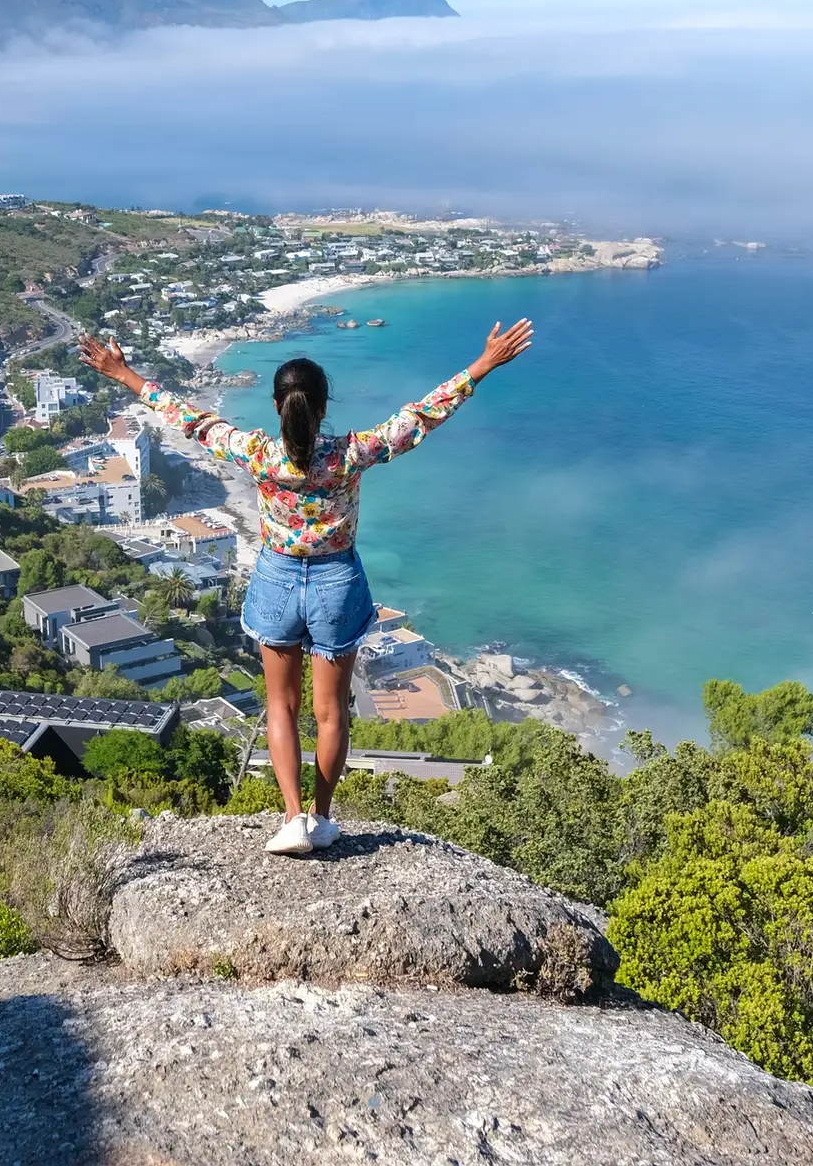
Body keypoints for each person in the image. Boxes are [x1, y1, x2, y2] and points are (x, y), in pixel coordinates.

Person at [77, 316, 533, 856]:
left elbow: (190, 419)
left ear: (277, 407)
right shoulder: (350, 454)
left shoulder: (257, 453)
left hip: (276, 579)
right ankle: (321, 816)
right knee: (332, 711)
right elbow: (419, 418)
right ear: (322, 408)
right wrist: (482, 365)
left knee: (280, 706)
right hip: (337, 583)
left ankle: (291, 819)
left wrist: (124, 373)